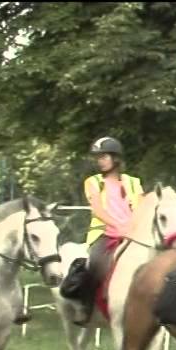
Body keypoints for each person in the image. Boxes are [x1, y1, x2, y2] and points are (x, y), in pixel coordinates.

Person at [62, 136, 144, 326]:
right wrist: (118, 226)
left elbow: (140, 208)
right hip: (104, 235)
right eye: (97, 157)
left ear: (116, 158)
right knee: (95, 264)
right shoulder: (93, 182)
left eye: (103, 156)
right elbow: (98, 210)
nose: (100, 161)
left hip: (131, 235)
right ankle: (86, 305)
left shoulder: (133, 182)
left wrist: (132, 227)